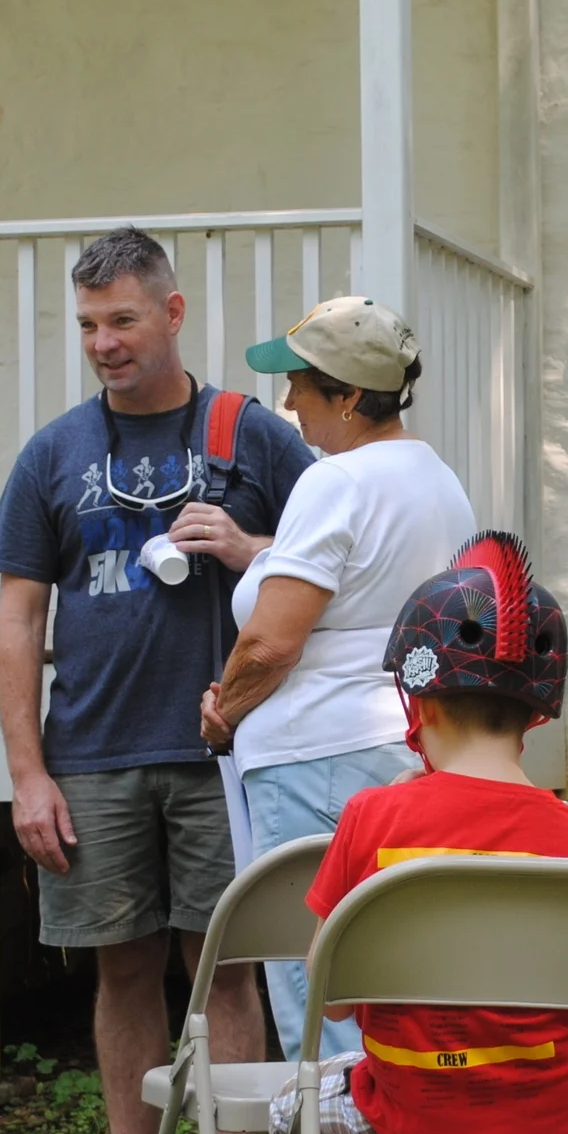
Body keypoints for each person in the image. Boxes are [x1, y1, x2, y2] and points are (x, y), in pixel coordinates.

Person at [0, 227, 313, 1134]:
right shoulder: (54, 453)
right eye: (89, 325)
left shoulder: (253, 436)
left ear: (171, 313)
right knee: (120, 972)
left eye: (122, 320)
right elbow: (17, 618)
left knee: (227, 968)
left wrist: (248, 547)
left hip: (228, 750)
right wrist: (27, 773)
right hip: (92, 753)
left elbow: (333, 563)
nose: (105, 343)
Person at [262, 532, 568, 1134]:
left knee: (293, 1114)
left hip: (410, 1121)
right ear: (538, 710)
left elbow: (332, 1001)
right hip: (555, 1125)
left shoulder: (374, 821)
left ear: (416, 698)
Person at [201, 296, 475, 1062]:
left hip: (317, 754)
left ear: (350, 396)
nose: (289, 402)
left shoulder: (337, 481)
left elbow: (271, 643)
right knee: (394, 981)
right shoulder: (438, 479)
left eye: (302, 384)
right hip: (405, 742)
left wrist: (224, 710)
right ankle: (396, 1129)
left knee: (318, 990)